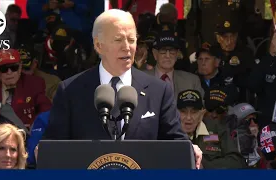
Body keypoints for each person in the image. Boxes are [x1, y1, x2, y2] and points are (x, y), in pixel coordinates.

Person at [44, 9, 203, 168]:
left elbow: (175, 142)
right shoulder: (70, 90)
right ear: (99, 45)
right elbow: (54, 147)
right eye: (118, 39)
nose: (127, 47)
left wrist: (188, 149)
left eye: (131, 39)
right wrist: (44, 151)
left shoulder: (159, 91)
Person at [0, 49, 52, 129]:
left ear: (20, 67)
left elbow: (46, 111)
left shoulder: (34, 84)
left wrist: (36, 126)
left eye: (13, 67)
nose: (9, 72)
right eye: (3, 69)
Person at [177, 90, 246, 169]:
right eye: (183, 112)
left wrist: (204, 165)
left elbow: (237, 162)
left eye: (194, 112)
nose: (188, 117)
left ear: (202, 113)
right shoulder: (168, 132)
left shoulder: (217, 128)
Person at [145, 31, 204, 100]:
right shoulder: (140, 79)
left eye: (172, 51)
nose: (167, 56)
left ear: (177, 54)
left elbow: (202, 109)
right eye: (163, 51)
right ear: (155, 54)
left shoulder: (192, 81)